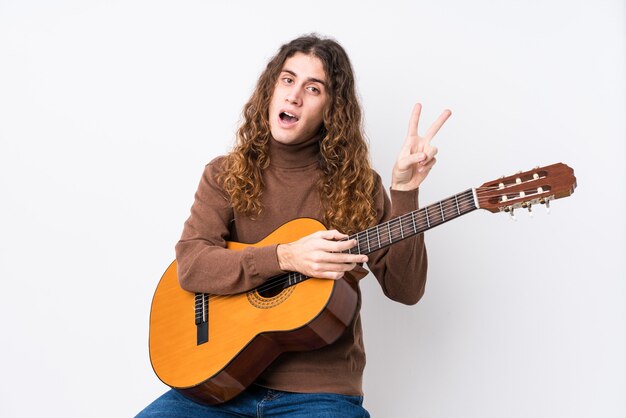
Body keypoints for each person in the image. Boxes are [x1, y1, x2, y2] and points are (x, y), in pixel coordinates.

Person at [136, 34, 451, 417]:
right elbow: (192, 264)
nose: (294, 96)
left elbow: (406, 289)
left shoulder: (359, 186)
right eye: (287, 80)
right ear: (271, 89)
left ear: (331, 109)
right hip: (219, 386)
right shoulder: (225, 174)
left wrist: (404, 192)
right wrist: (286, 256)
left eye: (313, 88)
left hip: (321, 396)